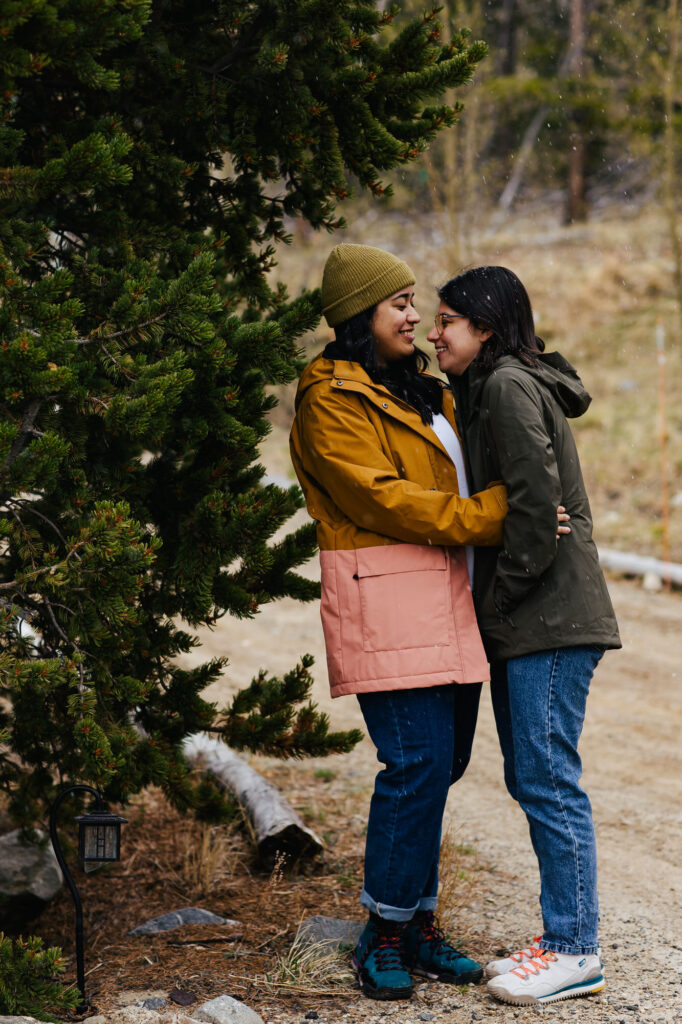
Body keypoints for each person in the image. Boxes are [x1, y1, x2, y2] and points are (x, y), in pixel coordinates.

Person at [290, 244, 567, 1003]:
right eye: (399, 304)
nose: (414, 315)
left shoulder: (428, 392)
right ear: (359, 317)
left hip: (449, 601)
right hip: (387, 600)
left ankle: (416, 924)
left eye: (416, 302)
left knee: (438, 769)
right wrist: (499, 515)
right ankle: (380, 932)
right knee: (413, 766)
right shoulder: (330, 401)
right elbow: (384, 499)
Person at [427, 265, 621, 1007]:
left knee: (546, 779)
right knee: (532, 777)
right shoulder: (491, 386)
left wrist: (498, 604)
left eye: (448, 319)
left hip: (547, 621)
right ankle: (562, 934)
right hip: (537, 621)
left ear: (485, 326)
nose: (436, 332)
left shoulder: (506, 387)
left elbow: (537, 516)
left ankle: (576, 949)